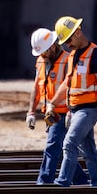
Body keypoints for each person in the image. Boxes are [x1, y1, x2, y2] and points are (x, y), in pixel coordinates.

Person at [45, 16, 97, 187]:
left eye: (69, 40)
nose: (67, 45)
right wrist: (52, 103)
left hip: (89, 109)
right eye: (65, 42)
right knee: (88, 150)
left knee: (69, 142)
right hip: (74, 109)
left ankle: (63, 181)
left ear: (78, 32)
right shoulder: (72, 56)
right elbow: (67, 82)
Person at [26, 28, 89, 185]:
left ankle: (43, 182)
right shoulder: (41, 61)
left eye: (45, 51)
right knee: (60, 150)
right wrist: (31, 112)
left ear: (53, 46)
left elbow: (73, 88)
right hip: (51, 115)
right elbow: (37, 87)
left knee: (52, 147)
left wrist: (70, 112)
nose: (42, 55)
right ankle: (81, 180)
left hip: (64, 113)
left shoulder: (68, 60)